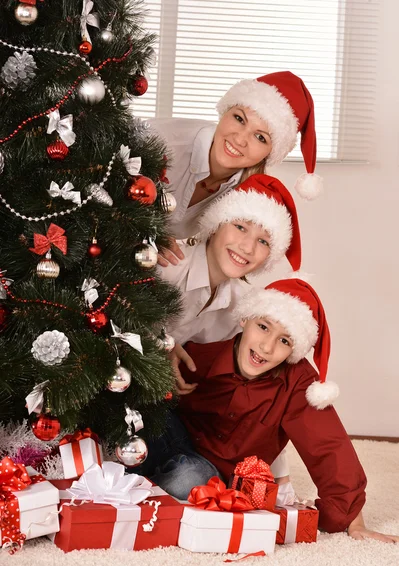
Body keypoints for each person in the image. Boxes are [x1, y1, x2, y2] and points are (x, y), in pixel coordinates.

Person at [140, 277, 398, 541]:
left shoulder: (297, 383)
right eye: (263, 327)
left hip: (212, 473)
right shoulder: (203, 355)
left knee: (189, 479)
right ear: (245, 319)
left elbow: (329, 447)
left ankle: (144, 481)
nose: (266, 347)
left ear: (294, 351)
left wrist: (354, 522)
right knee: (141, 431)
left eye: (284, 341)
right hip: (171, 435)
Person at [159, 172, 301, 489]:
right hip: (116, 399)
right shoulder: (166, 261)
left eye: (264, 241)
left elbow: (260, 389)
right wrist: (162, 344)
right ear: (217, 223)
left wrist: (281, 476)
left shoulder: (241, 307)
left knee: (199, 480)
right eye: (240, 226)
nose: (248, 247)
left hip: (175, 415)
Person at [147, 71, 323, 264]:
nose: (240, 139)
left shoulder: (246, 195)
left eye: (260, 137)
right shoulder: (161, 142)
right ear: (225, 112)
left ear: (269, 153)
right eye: (239, 119)